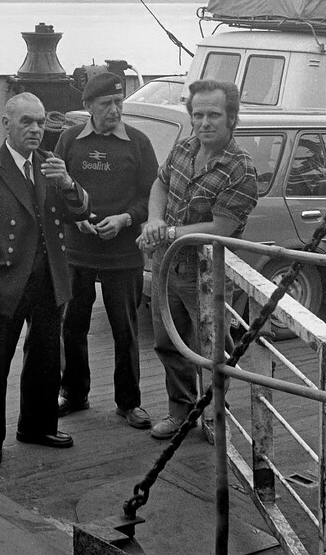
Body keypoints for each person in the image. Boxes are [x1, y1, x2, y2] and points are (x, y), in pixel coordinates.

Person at [0, 92, 90, 468]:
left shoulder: (51, 166)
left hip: (49, 278)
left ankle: (37, 426)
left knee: (46, 357)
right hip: (6, 281)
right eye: (27, 122)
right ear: (7, 123)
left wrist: (66, 183)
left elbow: (82, 210)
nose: (35, 129)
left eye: (41, 121)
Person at [138, 80, 259, 439]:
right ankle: (180, 411)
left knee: (212, 350)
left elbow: (221, 227)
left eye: (214, 115)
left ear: (232, 118)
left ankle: (212, 418)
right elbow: (160, 184)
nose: (204, 122)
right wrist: (155, 220)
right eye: (198, 114)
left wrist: (169, 233)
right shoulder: (185, 149)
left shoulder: (241, 170)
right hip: (164, 266)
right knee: (167, 342)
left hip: (204, 273)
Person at [55, 71, 159, 428]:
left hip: (123, 253)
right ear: (88, 107)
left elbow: (150, 197)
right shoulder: (69, 141)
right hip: (78, 250)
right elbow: (56, 190)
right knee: (73, 326)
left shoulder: (138, 144)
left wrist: (126, 219)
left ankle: (129, 402)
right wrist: (76, 218)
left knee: (125, 329)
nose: (115, 110)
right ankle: (74, 392)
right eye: (106, 104)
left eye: (119, 103)